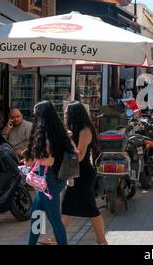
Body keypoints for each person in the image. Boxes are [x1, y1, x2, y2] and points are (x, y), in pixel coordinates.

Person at [38, 102, 108, 245]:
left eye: (66, 113)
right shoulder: (73, 129)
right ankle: (56, 239)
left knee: (90, 208)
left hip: (83, 174)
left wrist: (68, 140)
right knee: (67, 207)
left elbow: (80, 156)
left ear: (74, 115)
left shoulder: (85, 131)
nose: (64, 116)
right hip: (74, 174)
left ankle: (102, 240)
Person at [23, 101, 75, 245]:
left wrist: (32, 161)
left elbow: (49, 160)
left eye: (36, 114)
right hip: (53, 180)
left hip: (48, 182)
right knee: (36, 215)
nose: (34, 117)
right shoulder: (57, 131)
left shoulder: (46, 134)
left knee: (54, 220)